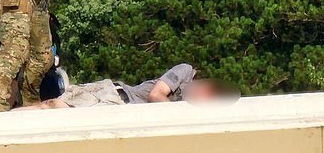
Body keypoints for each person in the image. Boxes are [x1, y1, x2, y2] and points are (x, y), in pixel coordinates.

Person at [21, 63, 240, 109]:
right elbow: (156, 95)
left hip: (115, 103)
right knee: (52, 107)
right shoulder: (185, 72)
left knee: (51, 107)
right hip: (115, 97)